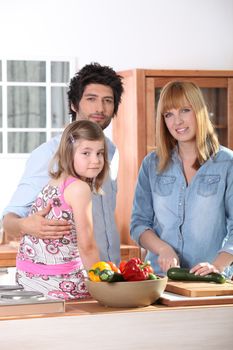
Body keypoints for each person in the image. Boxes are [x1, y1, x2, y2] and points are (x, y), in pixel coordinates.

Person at [2, 63, 124, 264]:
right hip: (70, 278)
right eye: (91, 99)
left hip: (109, 274)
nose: (100, 108)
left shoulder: (111, 151)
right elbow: (9, 222)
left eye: (108, 101)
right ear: (74, 105)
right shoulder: (48, 154)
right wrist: (27, 225)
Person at [130, 81, 233, 278]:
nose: (177, 122)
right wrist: (163, 249)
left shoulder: (227, 163)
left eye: (185, 110)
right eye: (169, 114)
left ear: (199, 112)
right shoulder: (151, 164)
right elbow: (139, 224)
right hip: (158, 278)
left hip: (209, 280)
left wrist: (217, 266)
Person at [16, 120, 108, 299]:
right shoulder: (79, 188)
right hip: (58, 281)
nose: (95, 160)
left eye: (100, 153)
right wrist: (104, 285)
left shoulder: (54, 182)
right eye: (86, 153)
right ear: (69, 153)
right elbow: (87, 246)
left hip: (27, 278)